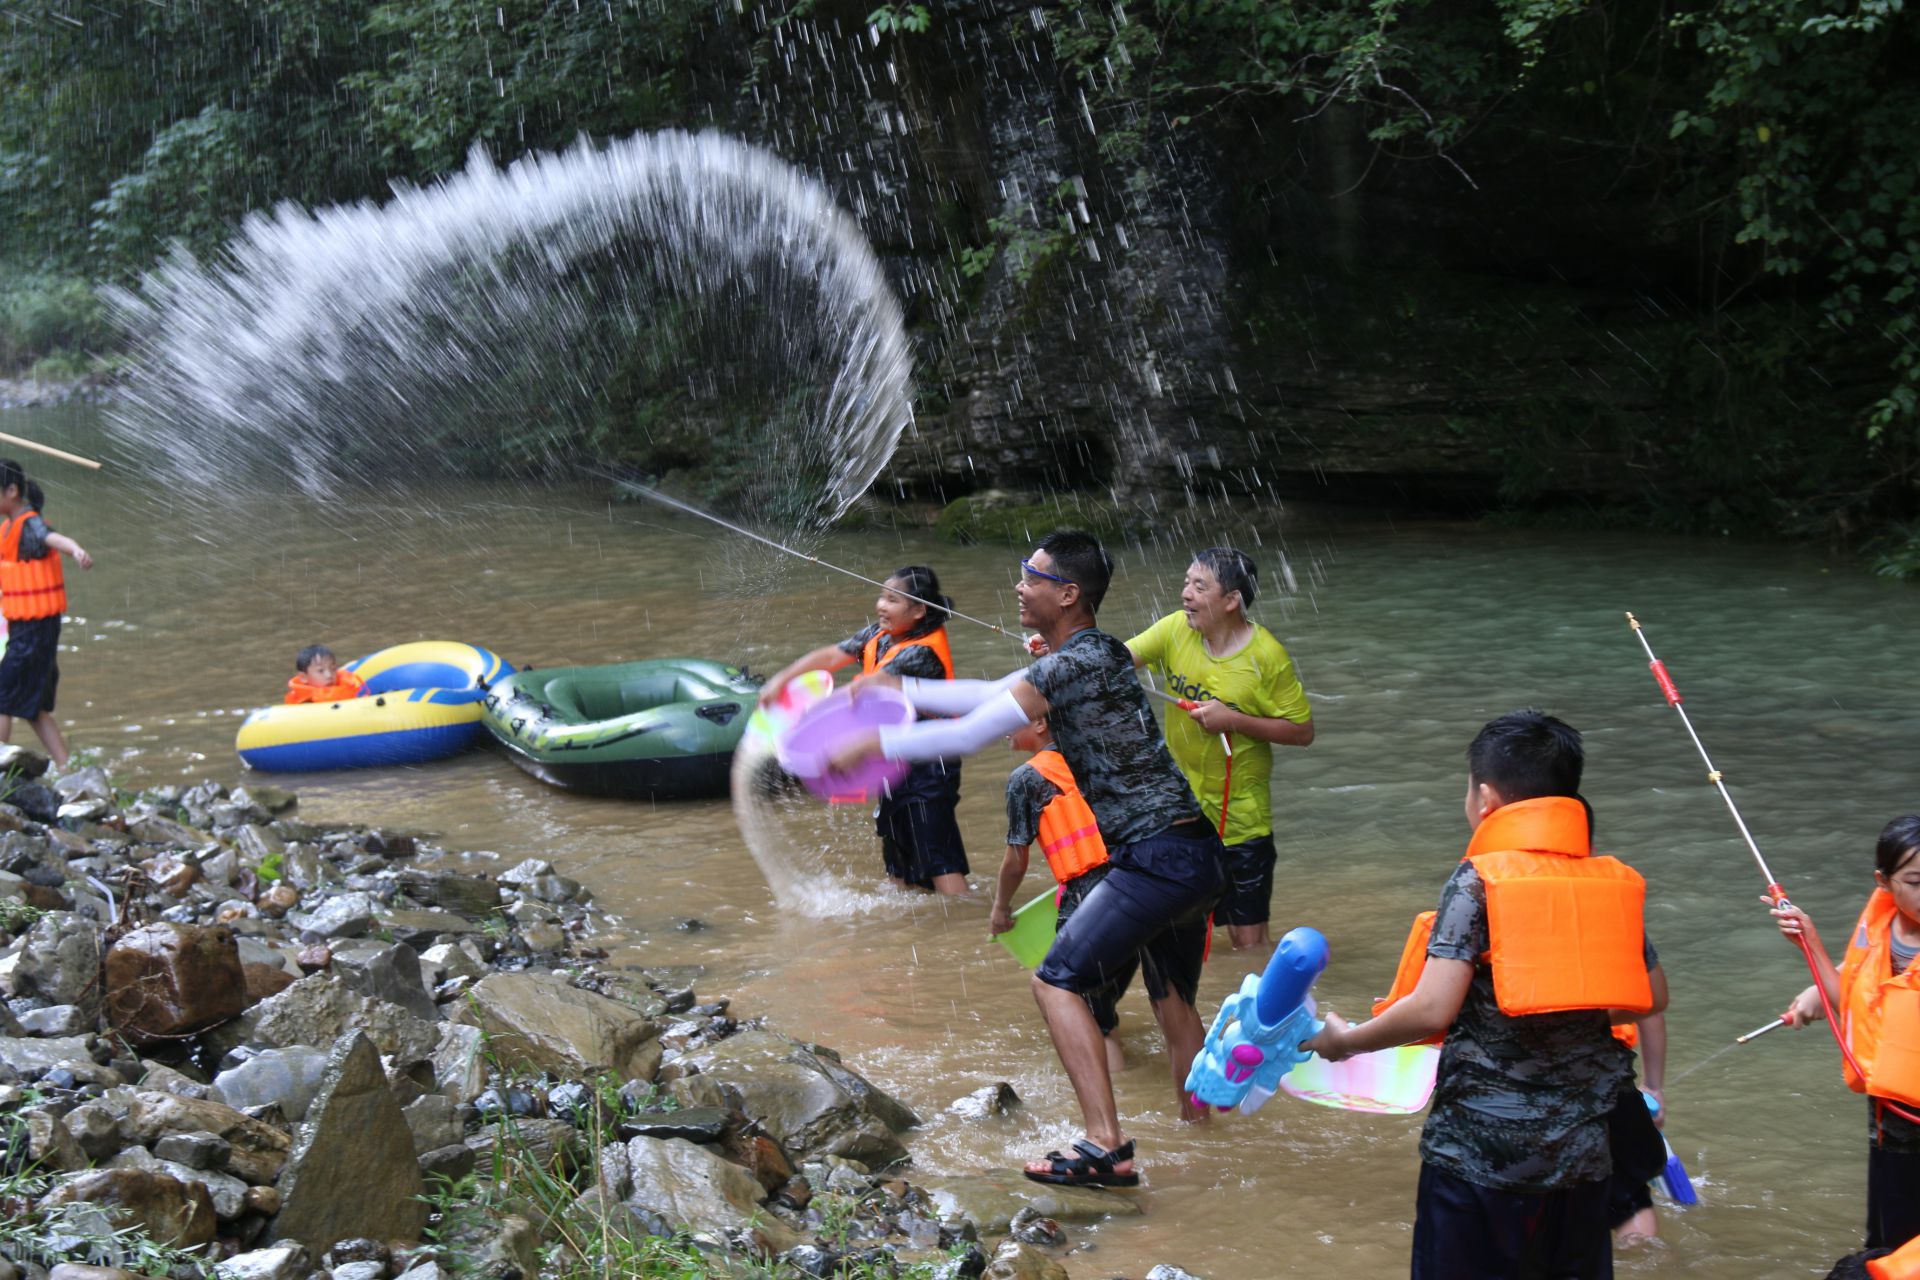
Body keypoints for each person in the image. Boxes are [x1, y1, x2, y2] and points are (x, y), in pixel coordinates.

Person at [829, 530, 1226, 1186]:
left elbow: (969, 731)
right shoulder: (1087, 655)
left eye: (1030, 576)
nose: (1018, 586)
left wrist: (876, 734)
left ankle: (1106, 1145)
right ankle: (1205, 1147)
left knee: (1056, 981)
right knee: (1174, 1006)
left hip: (1155, 858)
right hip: (1195, 856)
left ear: (1068, 594)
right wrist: (896, 695)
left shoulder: (1074, 662)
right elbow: (987, 697)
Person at [1304, 709, 1668, 1279]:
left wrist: (1346, 1042)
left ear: (1487, 798)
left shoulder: (1479, 880)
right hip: (1582, 1159)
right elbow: (1649, 996)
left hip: (1479, 1159)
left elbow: (1431, 1007)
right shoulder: (1608, 882)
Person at [1127, 547, 1314, 950]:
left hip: (1243, 820)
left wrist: (1235, 720)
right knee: (1179, 929)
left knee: (1249, 942)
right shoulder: (1175, 629)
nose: (1186, 594)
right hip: (1179, 810)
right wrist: (1060, 650)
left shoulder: (1266, 657)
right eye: (1186, 582)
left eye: (1199, 586)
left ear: (1231, 600)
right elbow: (1115, 659)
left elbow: (1302, 731)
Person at [759, 565, 969, 895]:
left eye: (893, 600)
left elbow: (863, 692)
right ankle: (915, 935)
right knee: (897, 854)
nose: (882, 606)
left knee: (938, 858)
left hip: (930, 759)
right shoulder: (879, 634)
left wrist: (806, 720)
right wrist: (782, 679)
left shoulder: (920, 652)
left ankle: (969, 921)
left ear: (918, 610)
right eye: (882, 597)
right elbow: (831, 655)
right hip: (890, 754)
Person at [1772, 814, 1920, 1258]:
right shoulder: (1881, 930)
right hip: (1891, 1116)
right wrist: (1810, 944)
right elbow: (1852, 1005)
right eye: (1915, 880)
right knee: (1888, 1242)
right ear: (1884, 881)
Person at [991, 713, 1132, 1076]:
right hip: (1138, 886)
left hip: (1088, 901)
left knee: (1092, 1018)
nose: (1004, 726)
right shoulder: (1095, 755)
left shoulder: (1026, 779)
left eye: (1015, 716)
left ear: (1041, 723)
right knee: (1113, 1004)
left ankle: (1121, 1104)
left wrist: (1000, 907)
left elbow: (1016, 862)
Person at [0, 461, 92, 768]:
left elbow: (52, 537)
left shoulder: (29, 523)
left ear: (11, 491)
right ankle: (68, 769)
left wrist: (75, 549)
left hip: (35, 629)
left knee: (2, 695)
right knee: (34, 706)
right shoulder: (8, 528)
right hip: (27, 627)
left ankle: (0, 763)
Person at [1605, 1011, 1669, 1246]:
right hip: (1609, 1082)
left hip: (1512, 1089)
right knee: (1630, 1198)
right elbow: (1650, 1007)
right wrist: (1653, 1087)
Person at [285, 645, 368, 704]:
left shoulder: (346, 688)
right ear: (303, 677)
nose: (329, 675)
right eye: (320, 671)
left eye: (333, 669)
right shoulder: (305, 704)